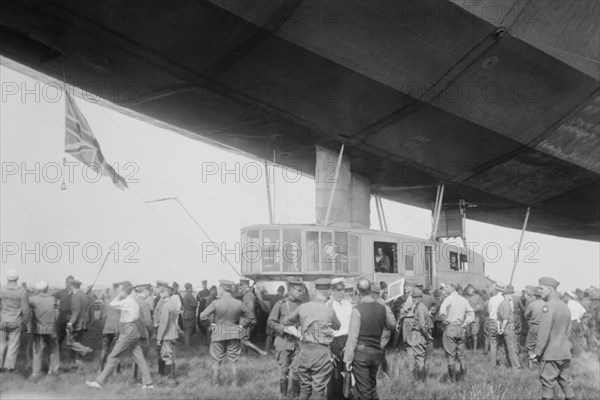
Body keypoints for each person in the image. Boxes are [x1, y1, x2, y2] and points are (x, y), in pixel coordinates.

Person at [86, 281, 154, 390]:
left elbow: (112, 303)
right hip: (134, 330)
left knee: (113, 357)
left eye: (121, 290)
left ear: (125, 291)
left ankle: (100, 382)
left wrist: (119, 295)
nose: (119, 291)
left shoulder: (127, 301)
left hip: (128, 330)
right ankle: (149, 383)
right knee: (140, 359)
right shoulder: (132, 301)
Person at [283, 278, 340, 400]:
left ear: (315, 290)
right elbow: (337, 326)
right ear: (329, 292)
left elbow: (286, 322)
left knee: (305, 390)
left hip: (304, 352)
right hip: (321, 353)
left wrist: (299, 334)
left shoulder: (303, 307)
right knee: (318, 391)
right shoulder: (329, 310)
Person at [344, 279, 395, 400]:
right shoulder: (382, 308)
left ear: (357, 291)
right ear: (370, 290)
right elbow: (391, 325)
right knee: (372, 387)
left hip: (362, 354)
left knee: (364, 391)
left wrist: (347, 359)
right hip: (377, 352)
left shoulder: (358, 310)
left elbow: (353, 337)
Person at [200, 279, 256, 386]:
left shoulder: (216, 302)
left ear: (221, 288)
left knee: (216, 361)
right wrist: (242, 325)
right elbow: (251, 316)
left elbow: (202, 316)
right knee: (233, 362)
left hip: (218, 332)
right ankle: (235, 385)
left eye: (219, 288)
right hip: (234, 333)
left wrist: (210, 324)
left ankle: (216, 385)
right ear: (230, 290)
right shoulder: (238, 303)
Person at [531, 277, 575, 400]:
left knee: (547, 384)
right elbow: (568, 331)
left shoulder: (548, 307)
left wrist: (537, 352)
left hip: (551, 353)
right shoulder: (564, 306)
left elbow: (544, 333)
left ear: (550, 290)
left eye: (541, 288)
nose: (539, 291)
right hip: (565, 352)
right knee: (566, 383)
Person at [267, 278, 304, 400]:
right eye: (299, 290)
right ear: (291, 290)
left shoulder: (301, 305)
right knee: (284, 370)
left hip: (297, 343)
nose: (301, 293)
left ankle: (296, 396)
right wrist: (284, 329)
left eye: (302, 290)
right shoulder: (280, 304)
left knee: (297, 371)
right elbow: (271, 322)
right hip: (283, 342)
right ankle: (283, 396)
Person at [438, 283, 474, 382]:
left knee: (451, 356)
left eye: (447, 287)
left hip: (451, 327)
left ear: (451, 288)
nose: (445, 289)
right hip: (460, 328)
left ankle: (452, 381)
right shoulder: (463, 299)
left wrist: (444, 319)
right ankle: (464, 379)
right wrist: (464, 324)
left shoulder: (448, 299)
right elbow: (471, 313)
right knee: (461, 356)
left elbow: (442, 311)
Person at [326, 278, 353, 400]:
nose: (342, 292)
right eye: (338, 290)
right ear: (332, 290)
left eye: (343, 289)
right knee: (335, 372)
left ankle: (345, 395)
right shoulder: (328, 305)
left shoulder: (348, 305)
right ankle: (334, 397)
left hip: (347, 340)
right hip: (334, 342)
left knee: (347, 370)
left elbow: (352, 324)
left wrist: (349, 343)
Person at [28, 280, 59, 379]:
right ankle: (53, 370)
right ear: (47, 288)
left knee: (37, 351)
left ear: (37, 289)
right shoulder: (52, 299)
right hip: (51, 328)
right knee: (53, 349)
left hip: (39, 329)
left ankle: (36, 372)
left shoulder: (33, 299)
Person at [0, 268, 29, 373]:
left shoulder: (2, 289)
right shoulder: (22, 291)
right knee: (13, 344)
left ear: (7, 278)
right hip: (15, 320)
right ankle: (9, 367)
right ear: (17, 278)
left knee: (2, 343)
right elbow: (25, 310)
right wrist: (25, 323)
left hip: (3, 320)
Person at [406, 287, 433, 381]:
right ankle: (425, 379)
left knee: (420, 360)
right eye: (413, 297)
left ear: (421, 297)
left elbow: (422, 325)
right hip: (422, 334)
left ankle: (420, 382)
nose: (414, 299)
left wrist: (427, 335)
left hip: (419, 334)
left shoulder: (420, 308)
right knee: (424, 359)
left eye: (416, 297)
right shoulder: (421, 307)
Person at [156, 284, 179, 384]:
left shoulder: (166, 306)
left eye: (162, 292)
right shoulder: (173, 304)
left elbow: (163, 324)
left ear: (166, 293)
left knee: (167, 356)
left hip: (167, 335)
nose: (160, 294)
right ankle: (172, 377)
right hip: (173, 334)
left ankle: (171, 380)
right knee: (172, 356)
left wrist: (158, 338)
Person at [133, 284, 154, 382]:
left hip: (133, 331)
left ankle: (135, 377)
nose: (149, 292)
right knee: (142, 355)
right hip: (143, 332)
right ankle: (139, 378)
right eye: (149, 290)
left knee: (136, 354)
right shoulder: (144, 303)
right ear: (145, 291)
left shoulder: (134, 301)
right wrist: (152, 332)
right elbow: (148, 321)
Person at [52, 275, 74, 366]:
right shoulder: (61, 292)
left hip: (72, 318)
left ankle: (73, 361)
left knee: (72, 340)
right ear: (66, 283)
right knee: (59, 339)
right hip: (61, 317)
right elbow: (51, 298)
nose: (70, 284)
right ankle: (57, 361)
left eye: (72, 282)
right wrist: (55, 308)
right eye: (69, 282)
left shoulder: (76, 293)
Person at [497, 285, 520, 369]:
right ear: (505, 295)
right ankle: (516, 367)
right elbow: (506, 318)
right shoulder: (507, 304)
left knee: (503, 347)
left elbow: (499, 317)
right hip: (508, 327)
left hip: (503, 327)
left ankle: (503, 365)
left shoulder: (501, 304)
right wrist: (502, 329)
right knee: (512, 348)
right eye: (510, 294)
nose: (511, 296)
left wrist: (500, 328)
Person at [99, 283, 120, 371]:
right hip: (117, 327)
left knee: (104, 349)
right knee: (118, 349)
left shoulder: (108, 300)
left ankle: (100, 368)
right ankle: (117, 370)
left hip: (107, 327)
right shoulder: (120, 299)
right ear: (117, 288)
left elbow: (103, 316)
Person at [524, 286, 544, 369]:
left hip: (534, 327)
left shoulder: (532, 304)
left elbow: (526, 315)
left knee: (531, 347)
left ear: (535, 295)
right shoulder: (546, 304)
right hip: (544, 328)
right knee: (541, 346)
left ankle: (531, 366)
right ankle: (539, 365)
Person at [487, 282, 506, 367]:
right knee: (502, 344)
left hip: (493, 321)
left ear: (496, 289)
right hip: (502, 322)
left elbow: (489, 310)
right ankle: (502, 364)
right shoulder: (505, 299)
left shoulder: (492, 299)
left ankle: (493, 364)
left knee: (493, 343)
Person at [564, 291, 587, 356]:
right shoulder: (576, 303)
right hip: (577, 322)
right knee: (576, 338)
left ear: (568, 297)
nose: (565, 297)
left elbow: (567, 314)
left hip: (571, 322)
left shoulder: (569, 304)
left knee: (572, 339)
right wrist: (578, 317)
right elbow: (583, 311)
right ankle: (577, 352)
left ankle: (576, 353)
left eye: (566, 296)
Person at [182, 283, 198, 348]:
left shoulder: (185, 295)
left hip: (186, 314)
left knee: (186, 330)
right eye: (191, 288)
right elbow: (195, 304)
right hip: (190, 314)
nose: (192, 289)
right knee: (189, 330)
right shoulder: (189, 295)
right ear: (189, 288)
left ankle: (186, 344)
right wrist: (193, 305)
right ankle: (187, 346)